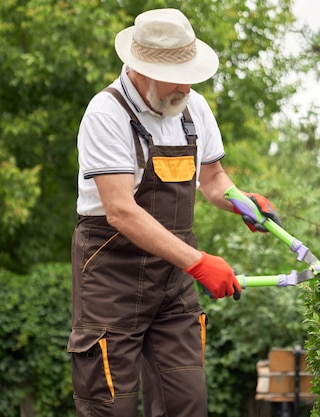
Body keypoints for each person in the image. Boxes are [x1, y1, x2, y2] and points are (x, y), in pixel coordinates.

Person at [67, 8, 282, 417]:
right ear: (140, 67)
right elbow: (120, 211)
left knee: (187, 404)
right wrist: (199, 263)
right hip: (111, 279)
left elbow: (214, 179)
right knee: (109, 407)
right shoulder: (105, 114)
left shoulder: (192, 107)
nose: (186, 85)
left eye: (190, 73)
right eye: (177, 75)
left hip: (173, 283)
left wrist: (243, 203)